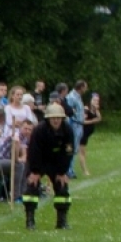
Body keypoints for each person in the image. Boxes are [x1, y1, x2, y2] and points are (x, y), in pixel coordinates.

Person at [23, 102, 75, 230]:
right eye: (53, 118)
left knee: (62, 188)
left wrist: (62, 172)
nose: (56, 120)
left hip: (57, 162)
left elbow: (68, 152)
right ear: (48, 119)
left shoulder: (68, 130)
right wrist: (35, 171)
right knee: (32, 187)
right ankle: (30, 220)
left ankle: (62, 221)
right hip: (39, 161)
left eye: (58, 118)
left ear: (62, 118)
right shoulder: (39, 130)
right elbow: (34, 151)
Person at [80, 91, 101, 176]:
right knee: (82, 153)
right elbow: (82, 121)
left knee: (84, 153)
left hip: (86, 135)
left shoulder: (94, 110)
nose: (96, 102)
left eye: (97, 100)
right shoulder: (86, 109)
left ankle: (84, 170)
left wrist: (97, 110)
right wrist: (92, 121)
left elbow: (99, 118)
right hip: (82, 133)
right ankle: (85, 171)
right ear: (90, 100)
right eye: (94, 100)